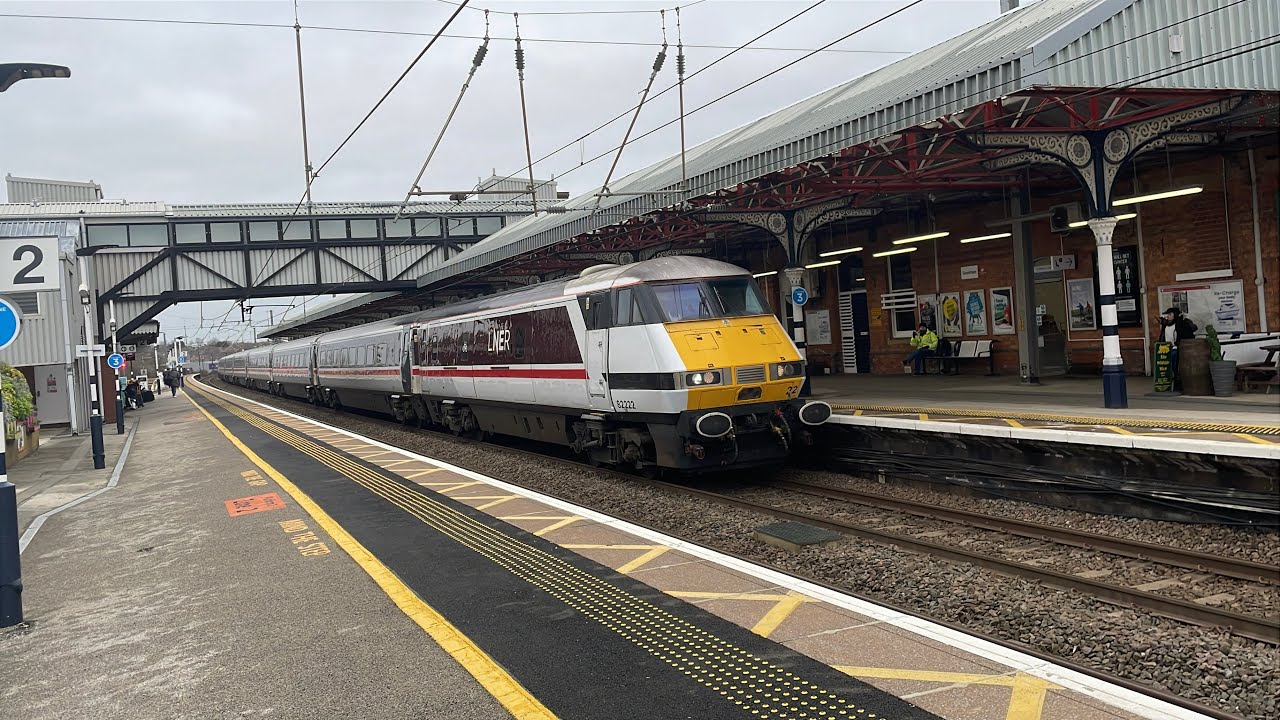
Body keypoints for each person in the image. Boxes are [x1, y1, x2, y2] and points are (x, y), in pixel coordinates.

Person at [1158, 307, 1197, 390]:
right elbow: (1163, 337)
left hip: (1176, 349)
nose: (1167, 316)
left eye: (1170, 314)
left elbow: (1185, 334)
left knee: (1175, 365)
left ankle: (1177, 383)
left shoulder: (1180, 324)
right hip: (1166, 349)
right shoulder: (1166, 325)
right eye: (1167, 315)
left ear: (1175, 315)